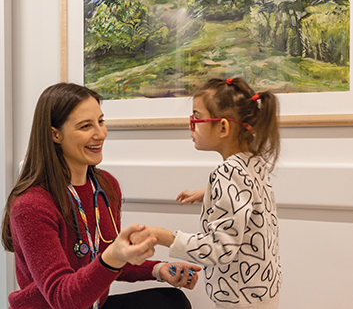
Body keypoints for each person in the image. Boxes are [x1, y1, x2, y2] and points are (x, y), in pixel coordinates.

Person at [1, 82, 201, 309]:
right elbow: (62, 298)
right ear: (54, 134)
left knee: (172, 303)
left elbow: (108, 262)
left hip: (90, 305)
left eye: (101, 121)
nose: (100, 133)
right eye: (86, 126)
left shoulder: (106, 186)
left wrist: (158, 270)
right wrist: (114, 256)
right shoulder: (31, 204)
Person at [130, 77, 282, 308]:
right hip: (262, 290)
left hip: (238, 299)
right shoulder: (253, 163)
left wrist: (161, 235)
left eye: (197, 117)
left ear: (223, 127)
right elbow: (250, 199)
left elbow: (220, 250)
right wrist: (209, 192)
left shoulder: (226, 172)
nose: (191, 124)